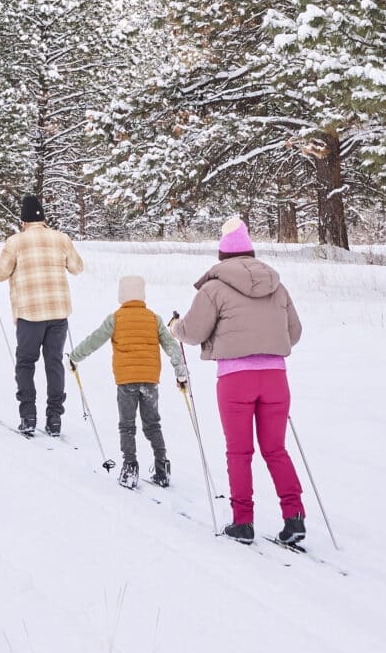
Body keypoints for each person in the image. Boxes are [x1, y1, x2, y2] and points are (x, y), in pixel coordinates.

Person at [175, 217, 306, 547]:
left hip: (235, 380)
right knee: (276, 449)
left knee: (240, 451)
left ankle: (243, 522)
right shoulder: (277, 285)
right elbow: (295, 332)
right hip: (276, 378)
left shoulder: (214, 288)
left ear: (222, 256)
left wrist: (175, 327)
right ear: (251, 252)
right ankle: (294, 517)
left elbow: (193, 332)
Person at [71, 273, 189, 489]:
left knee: (127, 425)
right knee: (152, 424)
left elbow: (94, 340)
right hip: (150, 381)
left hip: (126, 382)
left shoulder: (115, 318)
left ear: (121, 296)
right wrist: (181, 372)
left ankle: (129, 469)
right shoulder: (154, 319)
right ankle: (162, 468)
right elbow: (171, 346)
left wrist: (74, 357)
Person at [0, 192, 84, 438]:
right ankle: (54, 419)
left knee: (26, 362)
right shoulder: (61, 238)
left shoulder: (16, 242)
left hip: (29, 313)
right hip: (58, 312)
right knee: (54, 363)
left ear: (23, 221)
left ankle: (28, 415)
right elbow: (77, 268)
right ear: (43, 219)